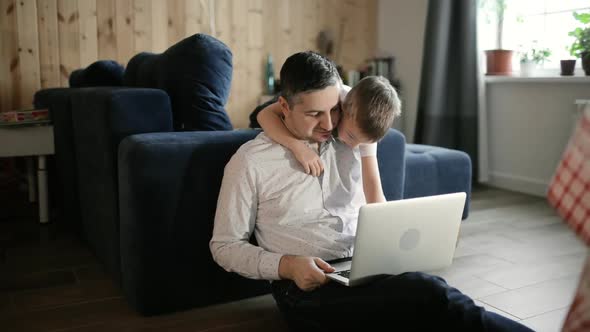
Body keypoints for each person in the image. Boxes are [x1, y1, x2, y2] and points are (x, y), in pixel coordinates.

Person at [210, 51, 532, 331]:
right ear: (283, 106)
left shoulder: (350, 131)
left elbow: (366, 98)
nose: (327, 124)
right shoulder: (251, 162)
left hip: (362, 268)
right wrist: (287, 265)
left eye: (334, 109)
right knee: (431, 295)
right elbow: (224, 246)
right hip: (304, 289)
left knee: (431, 305)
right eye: (313, 114)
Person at [256, 75, 397, 204]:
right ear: (343, 108)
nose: (354, 147)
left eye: (362, 143)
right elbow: (264, 114)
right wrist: (297, 146)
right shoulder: (336, 98)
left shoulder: (363, 127)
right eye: (351, 137)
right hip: (282, 105)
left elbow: (372, 185)